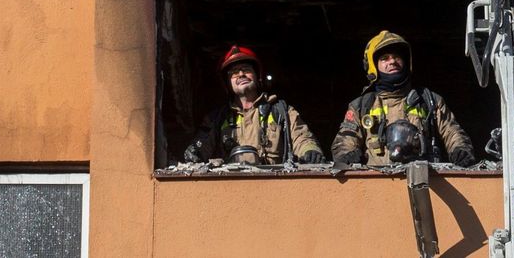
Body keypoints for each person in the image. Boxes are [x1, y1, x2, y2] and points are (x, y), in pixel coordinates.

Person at [331, 30, 477, 168]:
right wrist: (346, 155)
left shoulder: (429, 100)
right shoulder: (361, 106)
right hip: (377, 184)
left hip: (423, 181)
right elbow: (345, 139)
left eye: (397, 57)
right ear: (373, 66)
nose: (392, 61)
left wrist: (460, 150)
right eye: (384, 58)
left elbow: (452, 132)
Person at [183, 45, 326, 166]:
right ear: (227, 84)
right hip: (230, 189)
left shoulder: (281, 111)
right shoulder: (217, 118)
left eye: (246, 70)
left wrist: (310, 151)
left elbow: (302, 136)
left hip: (274, 187)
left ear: (258, 77)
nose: (241, 74)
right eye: (234, 73)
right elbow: (201, 145)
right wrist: (194, 152)